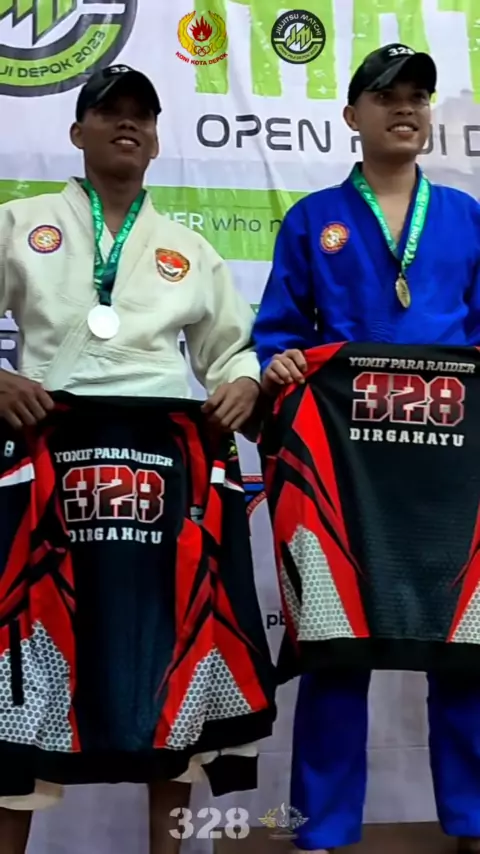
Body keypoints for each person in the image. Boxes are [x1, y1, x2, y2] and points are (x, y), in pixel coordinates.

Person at [0, 64, 270, 854]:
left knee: (169, 651)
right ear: (76, 131)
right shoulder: (19, 222)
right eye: (109, 111)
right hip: (48, 460)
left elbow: (234, 351)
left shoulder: (188, 247)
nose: (128, 124)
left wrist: (241, 384)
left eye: (142, 116)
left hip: (160, 470)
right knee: (27, 667)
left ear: (155, 140)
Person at [253, 44, 480, 854]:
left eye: (418, 95)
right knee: (336, 649)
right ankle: (323, 828)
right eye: (387, 96)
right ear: (352, 116)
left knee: (464, 650)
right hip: (345, 467)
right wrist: (280, 362)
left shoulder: (466, 216)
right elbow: (280, 333)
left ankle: (474, 821)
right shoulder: (313, 217)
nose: (406, 108)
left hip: (448, 469)